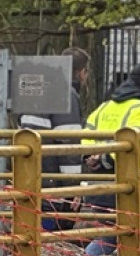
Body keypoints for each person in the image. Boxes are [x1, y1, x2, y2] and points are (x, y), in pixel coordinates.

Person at [81, 63, 140, 256]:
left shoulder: (104, 107)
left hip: (99, 182)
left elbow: (86, 134)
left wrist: (93, 157)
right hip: (132, 183)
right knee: (116, 235)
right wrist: (107, 158)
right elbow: (135, 141)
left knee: (119, 233)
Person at [17, 48, 90, 231]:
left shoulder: (35, 90)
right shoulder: (66, 94)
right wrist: (73, 189)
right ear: (81, 72)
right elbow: (68, 146)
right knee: (50, 237)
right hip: (53, 184)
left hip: (29, 177)